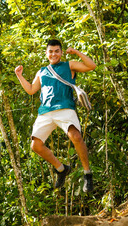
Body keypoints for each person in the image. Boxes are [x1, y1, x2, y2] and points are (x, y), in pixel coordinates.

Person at [14, 39, 96, 192]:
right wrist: (19, 75)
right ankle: (61, 168)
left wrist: (76, 52)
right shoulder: (42, 71)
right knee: (35, 145)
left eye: (57, 51)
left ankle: (87, 174)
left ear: (61, 52)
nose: (54, 54)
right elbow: (31, 90)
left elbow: (92, 66)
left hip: (65, 108)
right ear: (46, 53)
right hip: (45, 111)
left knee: (76, 137)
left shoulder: (69, 65)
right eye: (50, 51)